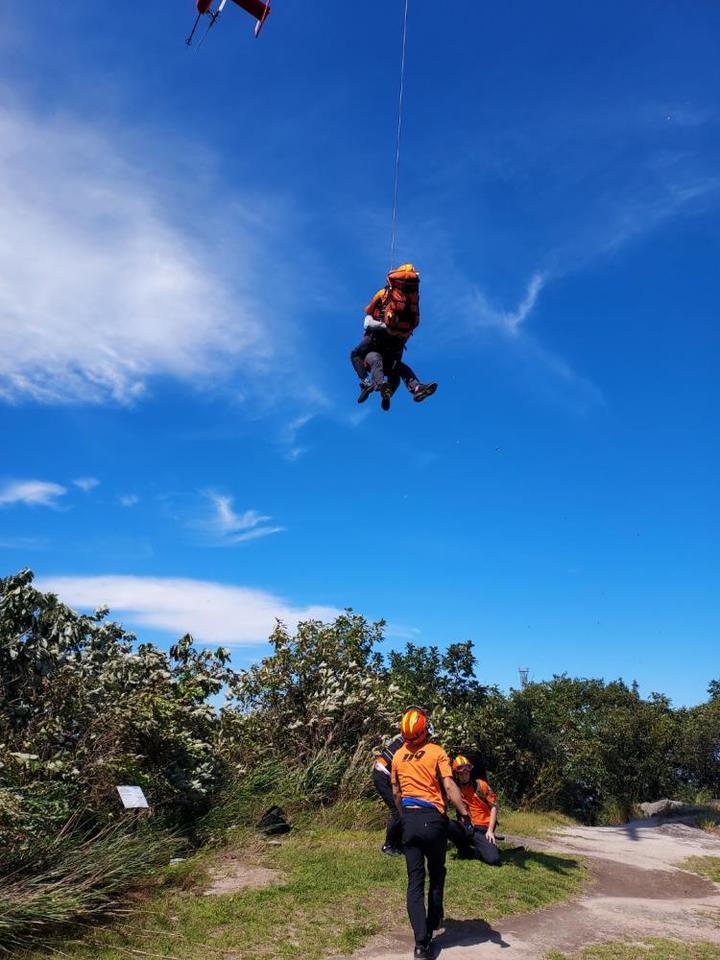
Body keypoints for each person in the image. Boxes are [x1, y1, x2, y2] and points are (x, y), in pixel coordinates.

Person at [391, 707, 473, 960]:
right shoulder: (437, 752)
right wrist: (464, 814)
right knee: (437, 872)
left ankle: (421, 944)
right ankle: (435, 915)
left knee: (415, 882)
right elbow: (449, 785)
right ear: (425, 729)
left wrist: (404, 818)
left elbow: (396, 793)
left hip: (410, 821)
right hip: (434, 821)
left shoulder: (397, 756)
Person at [350, 264, 437, 410]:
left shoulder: (383, 294)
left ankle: (372, 384)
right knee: (399, 370)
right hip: (397, 343)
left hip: (379, 341)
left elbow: (367, 313)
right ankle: (416, 388)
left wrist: (383, 322)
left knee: (368, 357)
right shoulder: (412, 297)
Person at [446, 755, 501, 866]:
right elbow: (444, 801)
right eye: (461, 769)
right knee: (443, 823)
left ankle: (475, 851)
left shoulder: (481, 784)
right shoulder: (454, 789)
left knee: (494, 859)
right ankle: (464, 849)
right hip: (466, 827)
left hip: (482, 829)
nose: (465, 772)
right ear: (456, 773)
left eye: (467, 769)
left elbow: (494, 807)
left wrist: (490, 831)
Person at [372, 733, 405, 856]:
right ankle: (388, 845)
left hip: (388, 776)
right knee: (397, 810)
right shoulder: (403, 743)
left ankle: (399, 843)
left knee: (403, 809)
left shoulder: (406, 741)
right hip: (382, 776)